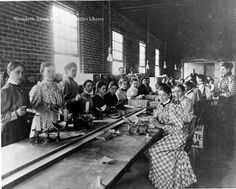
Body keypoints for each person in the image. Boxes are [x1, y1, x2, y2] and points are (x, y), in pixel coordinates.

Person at [148, 84, 196, 188]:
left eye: (164, 95)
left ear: (170, 95)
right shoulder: (161, 104)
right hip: (168, 134)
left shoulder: (174, 106)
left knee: (153, 151)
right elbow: (156, 115)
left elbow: (178, 128)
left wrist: (160, 125)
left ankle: (166, 183)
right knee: (150, 149)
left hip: (177, 136)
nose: (161, 97)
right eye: (159, 95)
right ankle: (161, 179)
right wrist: (153, 119)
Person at [29, 62, 64, 138]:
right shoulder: (38, 88)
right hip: (41, 124)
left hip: (55, 123)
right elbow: (30, 108)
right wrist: (47, 106)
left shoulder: (59, 87)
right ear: (42, 72)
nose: (51, 73)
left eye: (53, 71)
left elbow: (62, 105)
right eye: (48, 71)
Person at [1, 61, 30, 146]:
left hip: (23, 129)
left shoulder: (22, 89)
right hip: (10, 132)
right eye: (17, 72)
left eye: (22, 72)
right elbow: (1, 117)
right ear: (9, 72)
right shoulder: (5, 91)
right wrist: (16, 113)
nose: (21, 75)